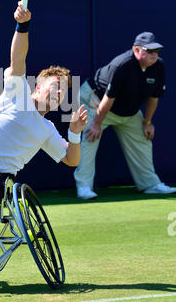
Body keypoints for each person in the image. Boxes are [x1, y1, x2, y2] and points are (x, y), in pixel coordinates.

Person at [0, 1, 88, 275]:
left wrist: (74, 132)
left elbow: (71, 160)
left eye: (63, 92)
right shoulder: (17, 91)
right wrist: (23, 25)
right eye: (55, 87)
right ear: (39, 85)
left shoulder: (46, 129)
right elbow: (18, 58)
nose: (59, 94)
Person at [74, 31, 176, 200]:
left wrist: (147, 122)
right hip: (95, 102)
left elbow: (154, 97)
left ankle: (150, 184)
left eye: (156, 51)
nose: (154, 55)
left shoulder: (159, 67)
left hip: (127, 111)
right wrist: (96, 124)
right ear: (136, 50)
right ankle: (84, 186)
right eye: (149, 51)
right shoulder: (121, 65)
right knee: (90, 137)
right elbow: (108, 99)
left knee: (143, 138)